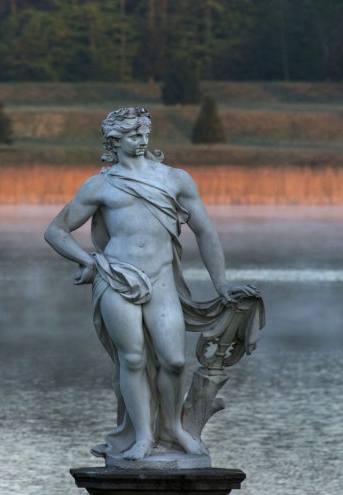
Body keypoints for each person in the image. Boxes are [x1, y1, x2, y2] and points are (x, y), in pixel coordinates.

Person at [44, 107, 258, 462]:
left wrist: (221, 284)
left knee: (173, 360)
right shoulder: (102, 184)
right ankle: (143, 437)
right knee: (133, 359)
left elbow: (205, 231)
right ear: (115, 140)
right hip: (117, 278)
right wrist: (90, 262)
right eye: (133, 136)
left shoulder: (175, 179)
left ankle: (172, 428)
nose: (142, 142)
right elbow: (55, 231)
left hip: (161, 280)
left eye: (145, 134)